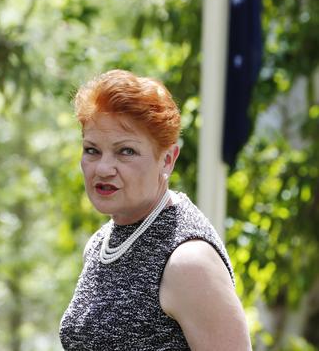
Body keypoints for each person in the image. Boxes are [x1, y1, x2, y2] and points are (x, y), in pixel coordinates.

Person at [59, 70, 251, 350]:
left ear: (168, 160)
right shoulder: (102, 243)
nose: (102, 168)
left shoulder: (188, 261)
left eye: (126, 151)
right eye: (92, 150)